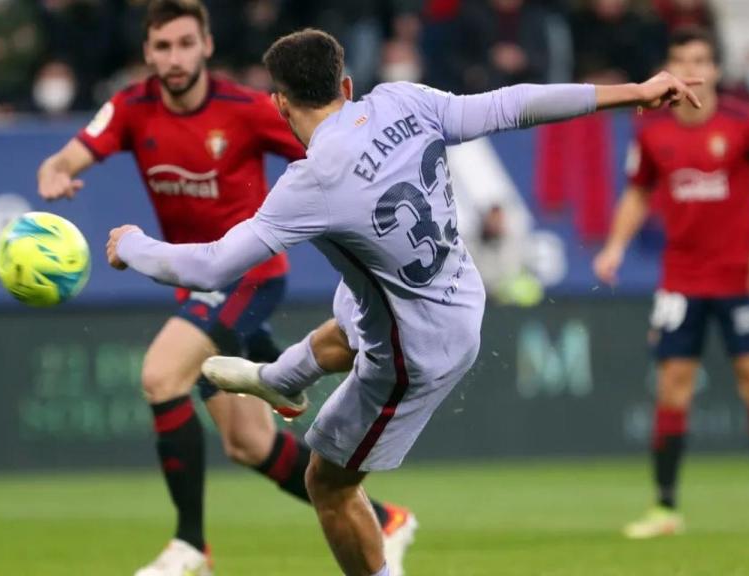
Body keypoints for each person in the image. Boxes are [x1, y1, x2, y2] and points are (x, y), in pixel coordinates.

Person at [106, 27, 703, 576]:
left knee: (327, 483)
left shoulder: (312, 181)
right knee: (355, 307)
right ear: (345, 86)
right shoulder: (403, 100)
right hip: (458, 291)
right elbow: (514, 103)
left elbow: (213, 266)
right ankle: (280, 380)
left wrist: (131, 244)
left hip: (417, 351)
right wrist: (634, 92)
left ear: (281, 105)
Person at [36, 3, 414, 576]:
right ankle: (385, 519)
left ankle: (190, 545)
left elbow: (335, 145)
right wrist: (56, 171)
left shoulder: (246, 109)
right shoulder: (131, 107)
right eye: (163, 46)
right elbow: (72, 153)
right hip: (195, 286)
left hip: (249, 277)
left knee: (161, 375)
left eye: (186, 43)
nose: (175, 57)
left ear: (207, 46)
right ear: (147, 52)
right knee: (249, 445)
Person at [592, 27, 749, 538]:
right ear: (671, 68)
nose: (693, 69)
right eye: (683, 60)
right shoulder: (653, 133)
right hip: (682, 280)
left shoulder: (743, 123)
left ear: (714, 69)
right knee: (672, 387)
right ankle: (665, 508)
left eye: (701, 60)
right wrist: (615, 246)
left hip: (738, 277)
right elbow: (638, 194)